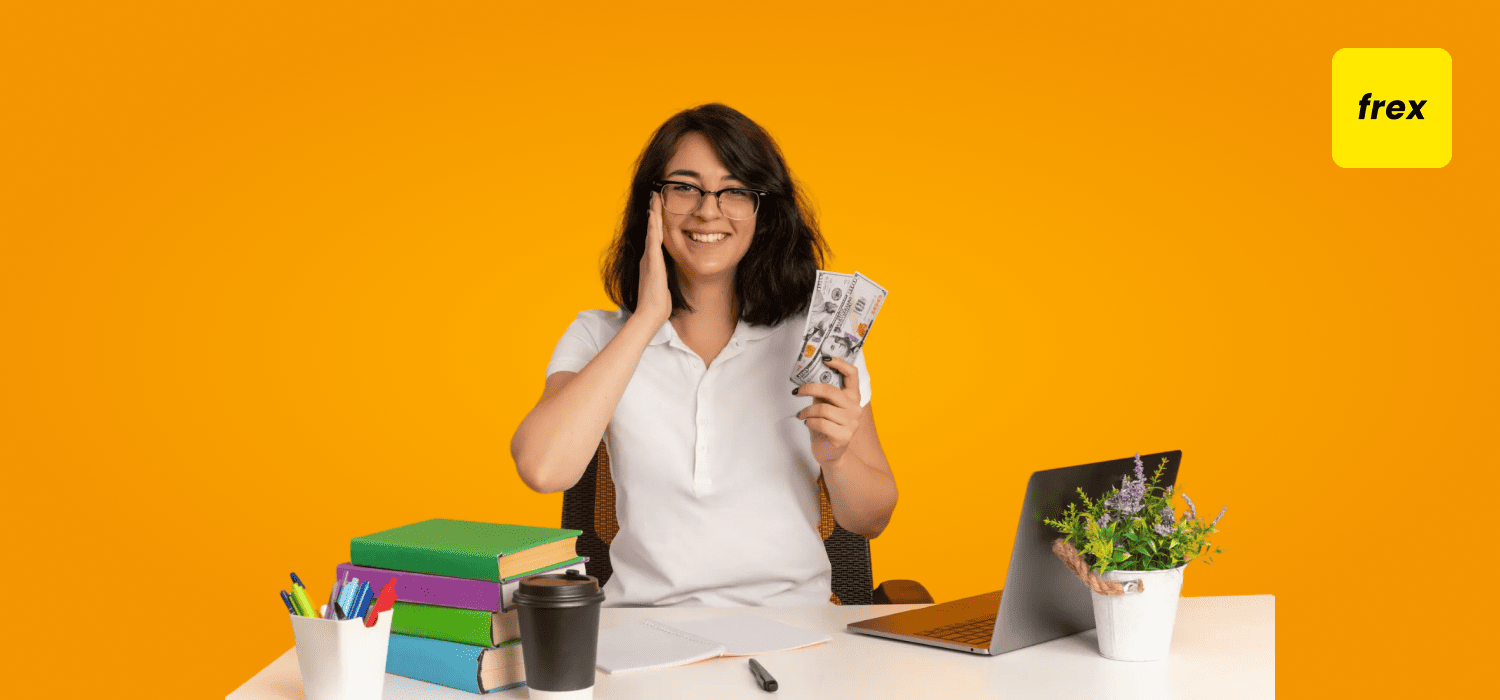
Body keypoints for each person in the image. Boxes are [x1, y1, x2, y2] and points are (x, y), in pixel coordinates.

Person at [510, 104, 897, 607]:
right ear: (652, 204)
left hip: (796, 629)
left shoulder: (816, 336)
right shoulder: (596, 335)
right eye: (684, 187)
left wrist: (837, 457)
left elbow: (871, 519)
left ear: (763, 210)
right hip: (645, 631)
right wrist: (647, 317)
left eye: (734, 190)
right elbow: (543, 469)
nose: (708, 210)